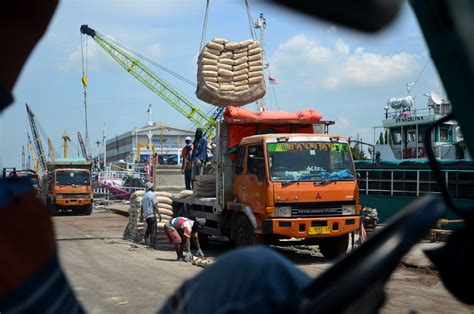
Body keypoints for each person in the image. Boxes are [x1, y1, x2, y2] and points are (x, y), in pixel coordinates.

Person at [140, 182, 161, 249]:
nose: (153, 187)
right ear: (150, 188)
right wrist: (159, 214)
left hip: (146, 216)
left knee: (149, 228)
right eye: (152, 187)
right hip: (151, 215)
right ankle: (152, 246)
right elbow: (155, 205)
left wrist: (141, 215)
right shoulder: (152, 195)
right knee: (153, 230)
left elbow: (142, 206)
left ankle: (144, 239)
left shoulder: (144, 195)